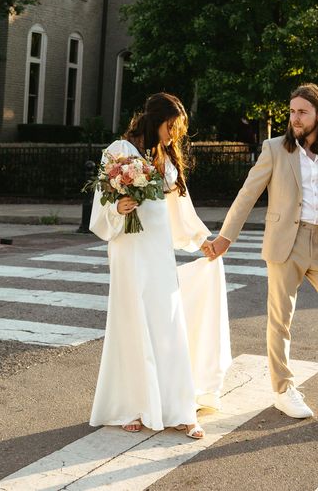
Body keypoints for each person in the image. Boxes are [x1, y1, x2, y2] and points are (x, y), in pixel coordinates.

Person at [204, 83, 318, 422]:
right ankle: (282, 390)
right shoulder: (275, 149)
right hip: (285, 244)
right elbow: (248, 194)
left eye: (302, 112)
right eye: (291, 111)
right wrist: (224, 238)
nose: (295, 118)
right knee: (280, 320)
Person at [89, 93, 232, 438]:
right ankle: (133, 404)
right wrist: (118, 209)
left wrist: (202, 241)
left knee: (167, 324)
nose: (175, 135)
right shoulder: (117, 150)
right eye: (172, 127)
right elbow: (100, 205)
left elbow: (180, 209)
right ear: (156, 121)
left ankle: (178, 407)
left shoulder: (165, 157)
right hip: (128, 248)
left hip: (157, 251)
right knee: (131, 324)